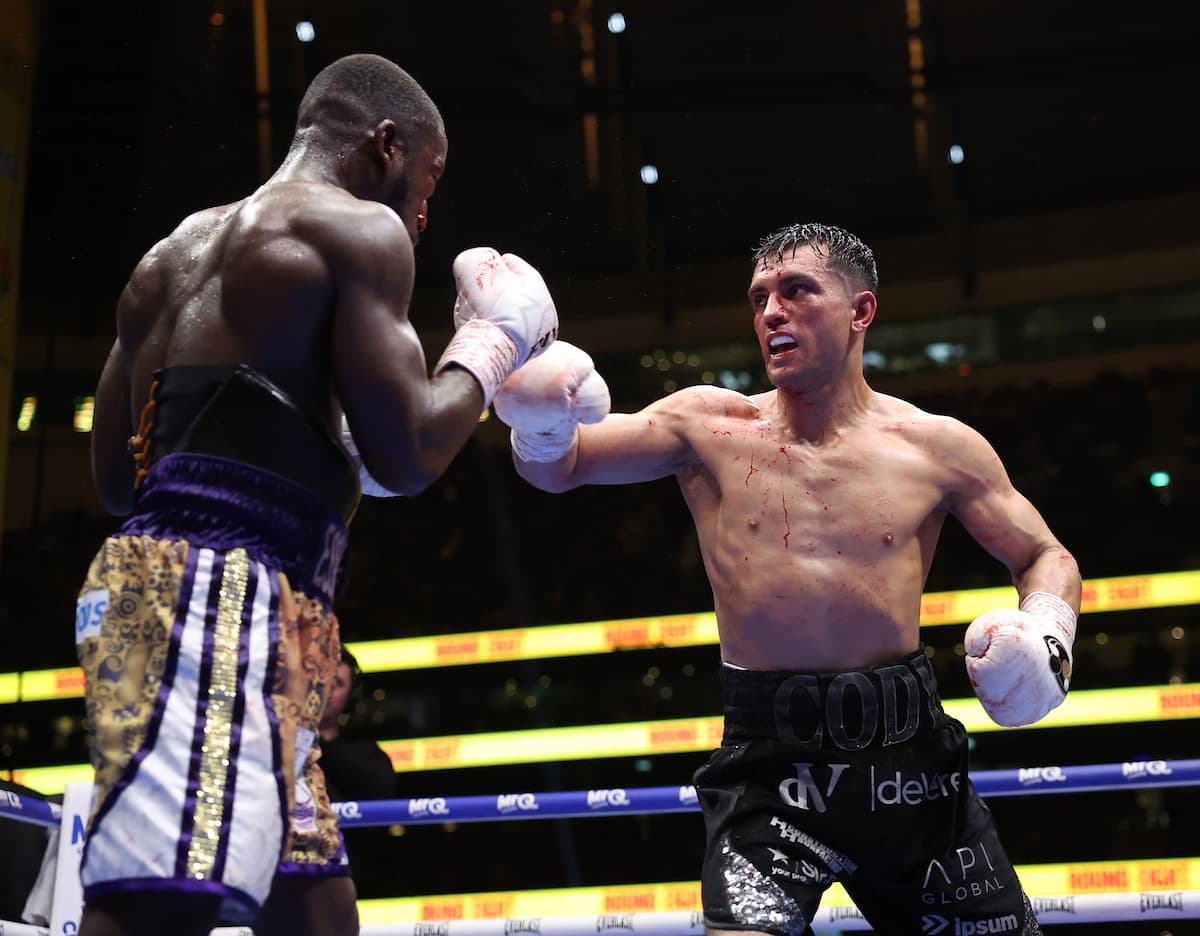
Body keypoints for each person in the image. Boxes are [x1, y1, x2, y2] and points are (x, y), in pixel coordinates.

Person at [79, 53, 557, 936]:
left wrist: (317, 445)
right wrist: (494, 344)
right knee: (153, 905)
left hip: (212, 593)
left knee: (317, 912)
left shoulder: (165, 258)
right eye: (427, 181)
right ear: (385, 146)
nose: (422, 214)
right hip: (220, 598)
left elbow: (118, 483)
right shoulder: (357, 233)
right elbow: (411, 453)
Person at [492, 222, 1081, 936]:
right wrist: (538, 419)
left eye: (797, 291)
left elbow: (1045, 554)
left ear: (860, 311)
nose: (771, 311)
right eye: (759, 297)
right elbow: (562, 467)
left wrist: (1049, 636)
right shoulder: (706, 426)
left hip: (910, 767)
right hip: (768, 769)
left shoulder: (938, 446)